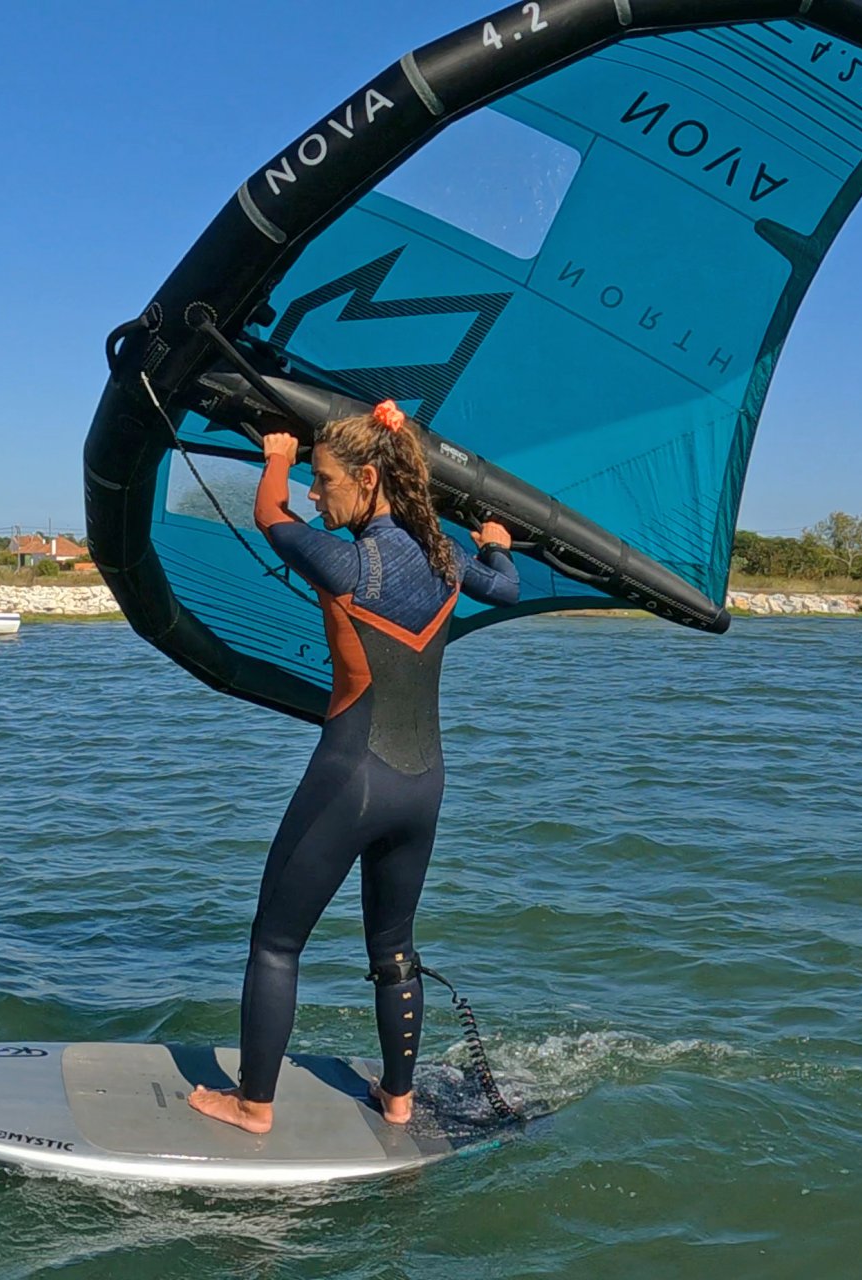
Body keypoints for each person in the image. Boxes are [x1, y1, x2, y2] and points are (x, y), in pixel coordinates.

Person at [188, 400, 521, 1135]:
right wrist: (496, 542)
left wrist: (277, 452)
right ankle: (397, 1102)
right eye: (311, 477)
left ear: (369, 480)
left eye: (325, 479)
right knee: (394, 949)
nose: (315, 492)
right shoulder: (447, 559)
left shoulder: (349, 560)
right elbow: (508, 585)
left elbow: (270, 513)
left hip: (353, 774)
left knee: (276, 942)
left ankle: (253, 1106)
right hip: (424, 785)